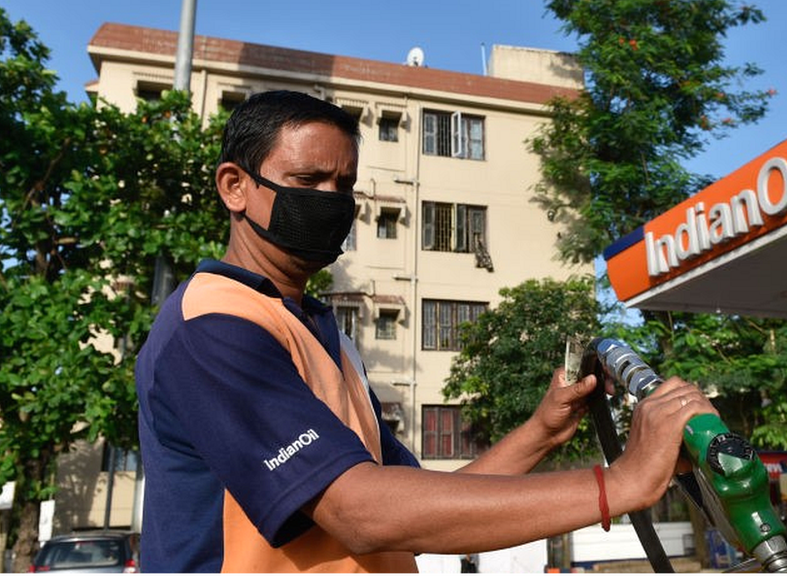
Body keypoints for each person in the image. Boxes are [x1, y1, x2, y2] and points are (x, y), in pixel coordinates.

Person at [135, 90, 717, 575]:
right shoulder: (215, 324)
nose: (331, 202)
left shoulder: (322, 334)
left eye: (344, 185)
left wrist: (541, 432)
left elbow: (417, 506)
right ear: (234, 186)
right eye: (307, 180)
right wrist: (621, 481)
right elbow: (361, 513)